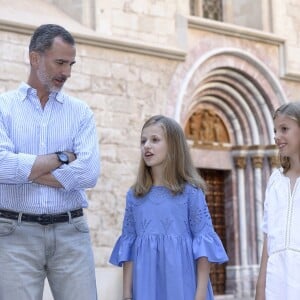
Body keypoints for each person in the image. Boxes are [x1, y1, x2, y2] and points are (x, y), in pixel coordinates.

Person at [0, 24, 100, 300]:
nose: (66, 72)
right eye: (60, 62)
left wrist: (26, 170)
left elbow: (89, 173)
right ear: (35, 58)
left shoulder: (80, 113)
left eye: (71, 64)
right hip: (13, 235)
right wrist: (62, 157)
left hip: (72, 234)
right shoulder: (3, 108)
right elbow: (1, 166)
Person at [109, 115, 228, 300]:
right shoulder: (135, 196)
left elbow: (203, 246)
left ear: (173, 145)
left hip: (183, 286)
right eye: (143, 141)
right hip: (146, 287)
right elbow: (128, 247)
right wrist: (126, 294)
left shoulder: (191, 193)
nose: (147, 145)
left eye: (155, 140)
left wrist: (200, 296)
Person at [255, 101, 300, 300]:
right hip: (276, 284)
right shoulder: (275, 181)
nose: (276, 137)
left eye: (284, 129)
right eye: (275, 130)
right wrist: (260, 289)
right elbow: (268, 240)